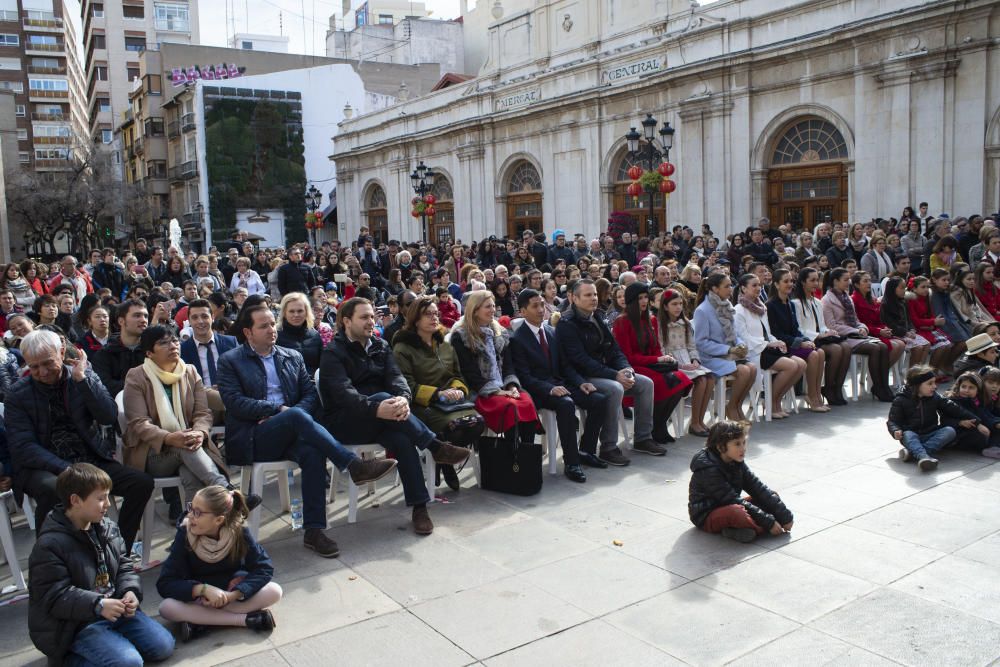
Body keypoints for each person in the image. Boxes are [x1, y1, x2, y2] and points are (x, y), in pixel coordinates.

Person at [217, 303, 397, 558]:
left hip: (291, 429)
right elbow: (234, 401)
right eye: (264, 326)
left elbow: (311, 395)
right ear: (248, 332)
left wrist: (290, 413)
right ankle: (353, 466)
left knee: (313, 451)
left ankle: (314, 530)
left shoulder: (291, 356)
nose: (272, 329)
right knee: (295, 415)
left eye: (272, 323)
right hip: (253, 436)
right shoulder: (230, 361)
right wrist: (277, 410)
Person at [319, 298, 470, 535]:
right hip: (346, 420)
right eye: (364, 317)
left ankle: (420, 507)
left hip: (385, 415)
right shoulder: (333, 352)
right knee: (380, 395)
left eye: (372, 316)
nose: (371, 321)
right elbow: (342, 394)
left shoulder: (380, 345)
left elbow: (397, 379)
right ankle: (434, 445)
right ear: (346, 321)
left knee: (402, 439)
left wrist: (402, 398)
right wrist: (376, 407)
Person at [8, 330, 153, 551]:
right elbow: (24, 447)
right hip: (43, 466)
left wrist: (83, 381)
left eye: (48, 363)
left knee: (140, 483)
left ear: (62, 352)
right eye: (34, 367)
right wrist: (65, 469)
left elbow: (108, 416)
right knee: (53, 488)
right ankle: (51, 558)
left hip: (89, 456)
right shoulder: (18, 394)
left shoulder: (82, 374)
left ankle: (117, 550)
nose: (43, 372)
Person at [27, 463, 175, 666]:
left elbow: (124, 564)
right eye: (100, 498)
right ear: (75, 500)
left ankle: (109, 647)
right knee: (129, 663)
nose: (107, 504)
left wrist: (129, 591)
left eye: (108, 496)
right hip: (77, 625)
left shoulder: (107, 528)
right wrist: (98, 605)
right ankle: (68, 658)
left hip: (115, 610)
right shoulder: (49, 545)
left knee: (163, 646)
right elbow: (55, 596)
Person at [123, 326, 251, 506]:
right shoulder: (136, 377)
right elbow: (139, 423)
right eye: (163, 343)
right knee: (185, 445)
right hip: (153, 453)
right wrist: (169, 438)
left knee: (190, 474)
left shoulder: (189, 371)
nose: (173, 345)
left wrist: (200, 433)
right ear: (149, 353)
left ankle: (191, 521)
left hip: (190, 446)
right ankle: (227, 492)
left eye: (175, 340)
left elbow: (202, 413)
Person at [157, 486, 281, 640]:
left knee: (275, 591)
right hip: (201, 599)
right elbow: (165, 583)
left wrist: (233, 595)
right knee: (166, 608)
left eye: (198, 512)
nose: (190, 515)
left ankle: (200, 621)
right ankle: (245, 620)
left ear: (219, 520)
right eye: (190, 508)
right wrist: (201, 590)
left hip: (230, 597)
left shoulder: (238, 531)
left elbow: (264, 567)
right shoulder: (185, 534)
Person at [509, 289, 609, 482]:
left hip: (561, 384)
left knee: (599, 400)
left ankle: (585, 451)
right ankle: (572, 463)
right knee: (566, 404)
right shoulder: (517, 339)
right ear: (522, 311)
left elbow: (565, 365)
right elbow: (524, 376)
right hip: (537, 390)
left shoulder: (550, 331)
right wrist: (549, 389)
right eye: (535, 306)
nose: (541, 309)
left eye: (541, 304)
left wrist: (581, 383)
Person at [556, 279, 657, 466]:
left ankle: (643, 437)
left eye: (594, 294)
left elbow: (614, 350)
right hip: (582, 377)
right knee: (615, 388)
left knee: (645, 383)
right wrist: (614, 375)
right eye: (588, 295)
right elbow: (580, 360)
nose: (593, 298)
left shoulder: (596, 317)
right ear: (574, 299)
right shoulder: (567, 323)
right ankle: (608, 447)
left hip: (604, 371)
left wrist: (625, 368)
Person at [392, 296, 485, 491]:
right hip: (422, 404)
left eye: (436, 314)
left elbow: (458, 374)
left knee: (477, 423)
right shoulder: (402, 348)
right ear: (415, 319)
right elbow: (405, 384)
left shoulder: (445, 345)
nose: (434, 318)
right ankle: (443, 459)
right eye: (428, 314)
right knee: (454, 427)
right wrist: (437, 394)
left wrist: (458, 390)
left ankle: (443, 460)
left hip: (452, 402)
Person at [611, 282, 692, 446]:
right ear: (632, 300)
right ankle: (653, 429)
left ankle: (659, 425)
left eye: (646, 297)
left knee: (681, 379)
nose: (644, 301)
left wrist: (662, 358)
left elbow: (655, 348)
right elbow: (627, 357)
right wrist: (656, 360)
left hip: (650, 364)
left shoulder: (651, 319)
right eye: (640, 298)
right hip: (632, 366)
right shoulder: (622, 321)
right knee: (661, 381)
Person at [687, 421, 793, 543]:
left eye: (744, 442)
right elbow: (731, 499)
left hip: (731, 506)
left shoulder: (736, 461)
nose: (743, 448)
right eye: (737, 444)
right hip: (707, 515)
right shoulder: (708, 469)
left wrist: (785, 516)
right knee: (737, 512)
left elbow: (757, 488)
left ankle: (742, 529)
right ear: (721, 447)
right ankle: (757, 528)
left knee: (771, 496)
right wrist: (769, 522)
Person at [734, 274, 806, 418]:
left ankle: (776, 400)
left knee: (801, 364)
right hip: (754, 352)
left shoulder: (761, 307)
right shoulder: (738, 310)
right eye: (754, 285)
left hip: (766, 348)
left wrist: (778, 342)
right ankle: (771, 402)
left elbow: (767, 332)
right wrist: (769, 343)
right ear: (743, 288)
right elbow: (744, 338)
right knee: (791, 366)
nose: (758, 288)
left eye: (759, 285)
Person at [822, 268, 894, 402]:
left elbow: (856, 320)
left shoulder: (847, 298)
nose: (848, 282)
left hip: (854, 334)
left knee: (883, 347)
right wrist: (854, 330)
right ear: (835, 281)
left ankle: (882, 386)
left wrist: (862, 327)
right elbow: (831, 325)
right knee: (875, 348)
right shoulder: (827, 300)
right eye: (845, 279)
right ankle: (835, 389)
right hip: (842, 336)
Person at [692, 273, 758, 421]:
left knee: (752, 369)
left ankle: (736, 405)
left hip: (729, 354)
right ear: (715, 289)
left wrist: (740, 344)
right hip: (711, 357)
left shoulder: (727, 306)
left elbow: (735, 333)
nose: (731, 289)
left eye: (731, 285)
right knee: (743, 371)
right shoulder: (702, 310)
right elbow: (701, 342)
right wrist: (727, 350)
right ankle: (732, 407)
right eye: (727, 286)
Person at [888, 365, 973, 471]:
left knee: (950, 431)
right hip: (911, 435)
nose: (935, 386)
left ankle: (914, 453)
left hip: (930, 433)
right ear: (917, 385)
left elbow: (954, 408)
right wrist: (895, 430)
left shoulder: (934, 397)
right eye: (930, 383)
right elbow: (892, 421)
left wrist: (976, 420)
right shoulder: (901, 400)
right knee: (908, 434)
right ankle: (924, 457)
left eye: (934, 382)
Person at [180, 298, 238, 423]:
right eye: (195, 318)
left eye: (204, 316)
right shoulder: (182, 350)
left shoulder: (231, 342)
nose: (200, 321)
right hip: (201, 403)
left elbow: (242, 372)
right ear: (189, 321)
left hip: (230, 396)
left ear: (212, 317)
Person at [93, 299, 149, 398]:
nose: (143, 320)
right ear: (121, 321)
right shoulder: (104, 354)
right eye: (137, 315)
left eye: (145, 316)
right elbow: (104, 387)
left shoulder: (152, 351)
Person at [850, 272, 906, 369]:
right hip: (865, 333)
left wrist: (885, 329)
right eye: (865, 281)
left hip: (878, 331)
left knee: (901, 344)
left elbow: (879, 320)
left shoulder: (872, 299)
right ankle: (878, 375)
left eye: (870, 280)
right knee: (895, 346)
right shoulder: (853, 300)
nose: (869, 283)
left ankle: (881, 372)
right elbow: (858, 323)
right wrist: (878, 331)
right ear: (856, 284)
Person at [275, 292, 323, 374]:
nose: (296, 315)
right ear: (285, 313)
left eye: (300, 311)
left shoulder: (315, 335)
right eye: (291, 311)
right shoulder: (276, 336)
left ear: (306, 312)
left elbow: (321, 364)